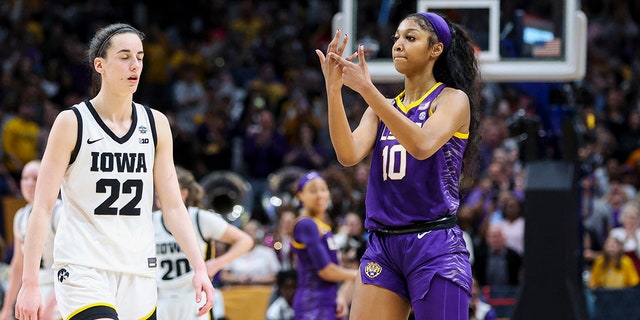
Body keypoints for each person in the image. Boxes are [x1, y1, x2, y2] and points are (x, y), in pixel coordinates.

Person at [14, 23, 215, 320]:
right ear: (100, 65)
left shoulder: (155, 124)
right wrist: (29, 282)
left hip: (139, 270)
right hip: (84, 266)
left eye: (140, 57)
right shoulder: (72, 122)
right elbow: (42, 207)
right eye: (124, 56)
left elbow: (173, 206)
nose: (135, 65)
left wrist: (199, 267)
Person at [315, 11, 481, 319]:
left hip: (434, 243)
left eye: (410, 38)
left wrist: (367, 89)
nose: (398, 45)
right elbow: (347, 154)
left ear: (436, 50)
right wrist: (334, 90)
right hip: (383, 244)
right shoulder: (382, 109)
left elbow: (422, 145)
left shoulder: (452, 100)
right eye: (396, 38)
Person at [154, 166, 254, 320]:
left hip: (194, 298)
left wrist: (217, 263)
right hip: (160, 299)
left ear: (184, 194)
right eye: (159, 188)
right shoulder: (151, 220)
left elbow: (245, 241)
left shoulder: (200, 218)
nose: (160, 193)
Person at [0, 160, 62, 320]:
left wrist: (51, 308)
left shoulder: (60, 212)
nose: (29, 183)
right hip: (32, 290)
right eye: (25, 178)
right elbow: (17, 265)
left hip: (60, 289)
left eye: (35, 178)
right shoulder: (21, 216)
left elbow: (72, 266)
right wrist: (6, 309)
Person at [291, 171, 358, 320]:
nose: (320, 195)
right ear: (300, 195)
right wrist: (359, 275)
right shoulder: (305, 224)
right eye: (313, 190)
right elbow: (326, 271)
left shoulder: (323, 227)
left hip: (328, 301)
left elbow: (337, 268)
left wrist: (340, 294)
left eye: (323, 189)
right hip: (312, 304)